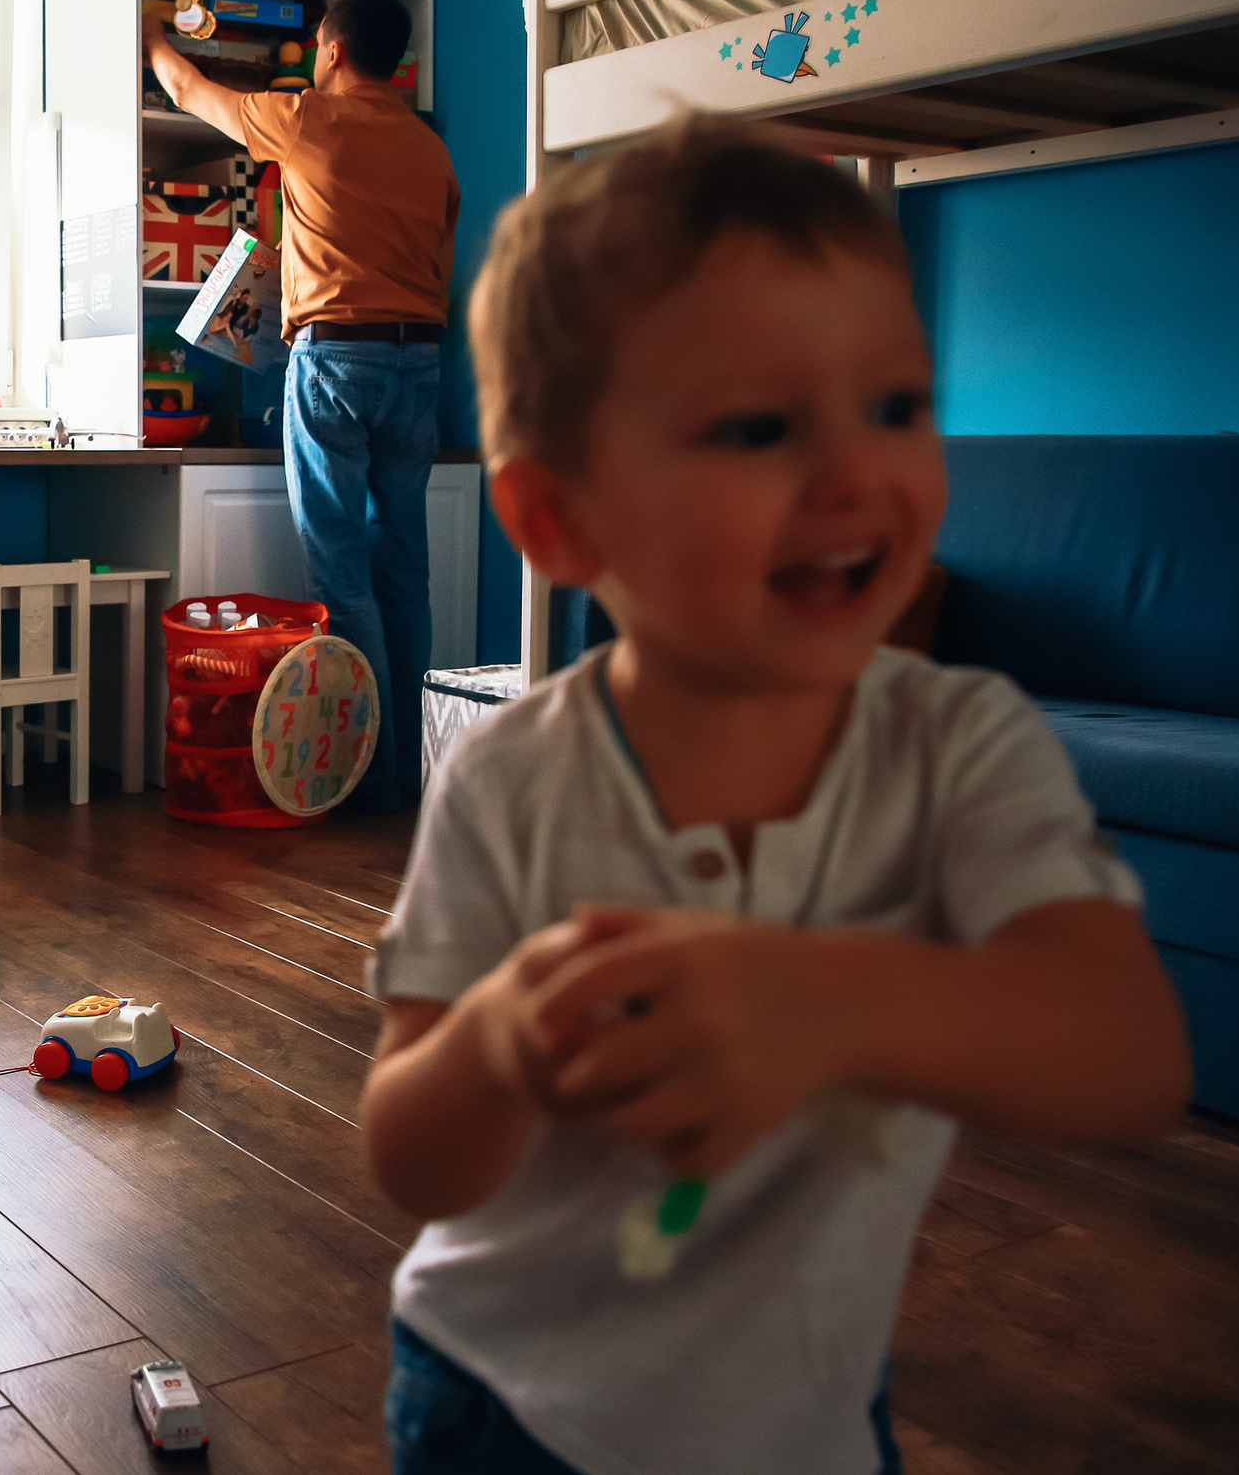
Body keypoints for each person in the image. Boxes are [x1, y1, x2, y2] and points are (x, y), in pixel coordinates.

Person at [359, 117, 1190, 1475]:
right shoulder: (515, 773)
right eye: (759, 425)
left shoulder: (960, 743)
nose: (859, 472)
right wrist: (499, 1039)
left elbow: (1132, 1052)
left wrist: (835, 1000)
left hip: (800, 1418)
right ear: (562, 521)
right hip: (506, 1405)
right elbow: (411, 1155)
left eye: (898, 405)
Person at [146, 0, 459, 812]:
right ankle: (410, 772)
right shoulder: (431, 150)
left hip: (337, 359)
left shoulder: (306, 117)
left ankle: (370, 772)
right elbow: (425, 257)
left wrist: (150, 36)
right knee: (405, 571)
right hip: (420, 361)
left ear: (330, 51)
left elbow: (187, 94)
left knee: (342, 573)